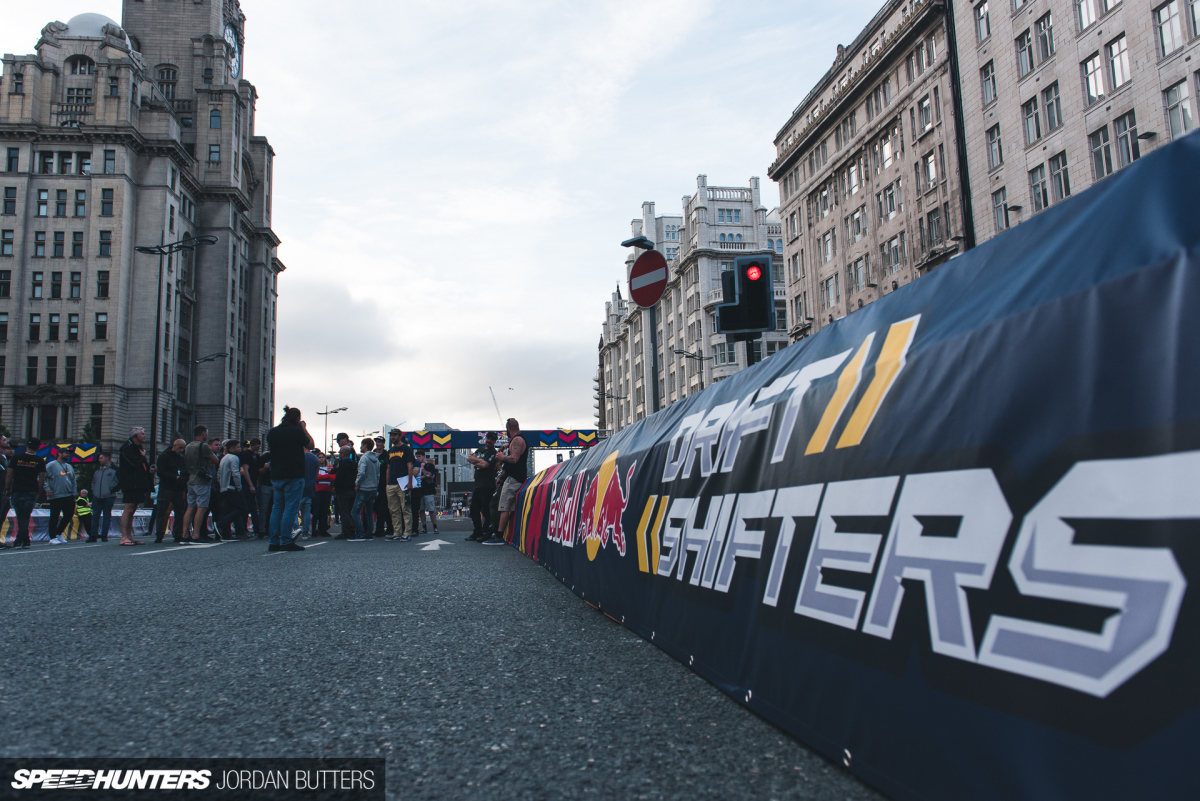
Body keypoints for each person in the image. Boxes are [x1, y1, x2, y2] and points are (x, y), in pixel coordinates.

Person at [265, 406, 314, 552]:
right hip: (293, 474)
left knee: (277, 508)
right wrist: (304, 428)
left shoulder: (272, 432)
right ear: (298, 419)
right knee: (290, 508)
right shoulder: (297, 431)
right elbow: (310, 445)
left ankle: (273, 541)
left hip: (276, 474)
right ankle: (286, 540)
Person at [486, 418, 527, 546]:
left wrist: (502, 457)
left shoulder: (518, 440)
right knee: (499, 504)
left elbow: (514, 459)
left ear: (508, 428)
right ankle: (496, 532)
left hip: (514, 479)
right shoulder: (515, 441)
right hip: (511, 477)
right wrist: (501, 476)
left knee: (504, 506)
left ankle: (499, 536)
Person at [182, 425, 218, 544]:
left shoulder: (188, 446)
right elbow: (215, 460)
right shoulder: (204, 446)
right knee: (201, 508)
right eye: (206, 433)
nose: (207, 435)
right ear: (203, 433)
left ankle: (185, 534)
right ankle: (196, 535)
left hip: (191, 479)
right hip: (202, 481)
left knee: (190, 507)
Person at [117, 427, 154, 546]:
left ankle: (129, 536)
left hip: (138, 482)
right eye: (142, 434)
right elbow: (133, 464)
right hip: (130, 483)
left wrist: (149, 470)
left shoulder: (138, 448)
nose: (144, 436)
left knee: (133, 508)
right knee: (128, 508)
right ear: (135, 436)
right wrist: (142, 457)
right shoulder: (127, 448)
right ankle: (124, 537)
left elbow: (141, 464)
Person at [7, 439, 45, 548]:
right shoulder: (39, 460)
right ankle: (24, 540)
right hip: (31, 491)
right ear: (37, 448)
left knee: (21, 516)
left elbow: (9, 475)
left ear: (27, 447)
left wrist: (7, 488)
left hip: (17, 490)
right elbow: (41, 479)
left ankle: (21, 540)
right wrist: (39, 491)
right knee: (25, 516)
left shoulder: (16, 458)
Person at [153, 439, 188, 544]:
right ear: (174, 445)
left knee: (180, 512)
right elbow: (161, 472)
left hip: (178, 488)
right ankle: (160, 534)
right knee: (162, 511)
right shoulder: (164, 456)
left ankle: (177, 533)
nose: (181, 450)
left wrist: (183, 478)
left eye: (183, 448)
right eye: (180, 448)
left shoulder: (181, 458)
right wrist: (175, 477)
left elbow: (185, 470)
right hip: (166, 487)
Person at [466, 432, 498, 541]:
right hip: (478, 485)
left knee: (486, 510)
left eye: (492, 439)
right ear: (486, 438)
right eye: (488, 438)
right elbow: (469, 459)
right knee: (474, 509)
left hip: (488, 485)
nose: (489, 441)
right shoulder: (479, 450)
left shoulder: (493, 452)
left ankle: (485, 532)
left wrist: (477, 462)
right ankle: (477, 531)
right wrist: (480, 461)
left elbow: (485, 465)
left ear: (495, 441)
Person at [215, 439, 250, 540]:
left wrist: (221, 484)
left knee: (227, 510)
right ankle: (222, 523)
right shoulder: (234, 458)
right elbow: (235, 473)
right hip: (232, 488)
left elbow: (218, 473)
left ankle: (224, 533)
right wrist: (239, 487)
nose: (239, 449)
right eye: (238, 447)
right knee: (242, 508)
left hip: (224, 487)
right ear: (231, 448)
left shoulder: (224, 458)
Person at [384, 429, 415, 542]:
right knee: (393, 510)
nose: (392, 437)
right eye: (391, 435)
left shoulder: (406, 449)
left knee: (405, 509)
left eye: (394, 435)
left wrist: (410, 482)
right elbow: (388, 468)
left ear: (399, 436)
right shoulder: (390, 451)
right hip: (391, 484)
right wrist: (387, 483)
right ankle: (397, 532)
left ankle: (407, 532)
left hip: (403, 483)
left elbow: (409, 466)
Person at [45, 447, 77, 544]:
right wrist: (47, 489)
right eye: (66, 453)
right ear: (59, 453)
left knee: (69, 514)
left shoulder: (69, 466)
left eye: (68, 453)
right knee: (54, 516)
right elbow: (43, 477)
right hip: (56, 494)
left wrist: (74, 493)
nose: (68, 455)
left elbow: (73, 480)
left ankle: (59, 533)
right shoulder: (51, 465)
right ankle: (52, 537)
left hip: (68, 495)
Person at [350, 437, 379, 542]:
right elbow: (378, 474)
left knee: (355, 511)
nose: (360, 447)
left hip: (364, 488)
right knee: (369, 512)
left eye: (362, 445)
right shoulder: (376, 458)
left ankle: (360, 533)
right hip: (373, 488)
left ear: (365, 445)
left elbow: (361, 472)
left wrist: (357, 483)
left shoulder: (364, 458)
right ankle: (369, 533)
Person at [90, 452, 118, 542]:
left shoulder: (115, 470)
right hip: (97, 496)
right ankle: (93, 535)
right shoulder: (97, 470)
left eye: (101, 458)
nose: (99, 460)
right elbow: (93, 481)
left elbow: (119, 482)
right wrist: (94, 490)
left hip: (108, 496)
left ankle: (104, 535)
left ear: (107, 459)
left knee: (106, 516)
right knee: (95, 516)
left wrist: (111, 490)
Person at [332, 445, 357, 539]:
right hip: (352, 490)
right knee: (351, 511)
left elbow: (339, 478)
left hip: (343, 491)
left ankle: (346, 531)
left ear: (342, 454)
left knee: (344, 512)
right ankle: (353, 529)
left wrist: (335, 487)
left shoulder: (342, 465)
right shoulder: (354, 464)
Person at [416, 452, 441, 535]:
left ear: (423, 456)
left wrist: (422, 469)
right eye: (417, 456)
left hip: (428, 490)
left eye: (419, 456)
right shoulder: (416, 465)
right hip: (419, 490)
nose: (418, 458)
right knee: (421, 509)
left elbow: (429, 475)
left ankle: (435, 527)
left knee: (431, 509)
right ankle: (424, 527)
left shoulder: (429, 465)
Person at [241, 438, 261, 535]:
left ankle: (256, 529)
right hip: (247, 484)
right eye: (257, 446)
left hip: (253, 483)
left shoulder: (256, 455)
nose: (258, 448)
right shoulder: (246, 455)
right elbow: (245, 471)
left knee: (253, 508)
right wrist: (250, 485)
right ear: (252, 445)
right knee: (246, 507)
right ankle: (243, 529)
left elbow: (255, 471)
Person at [372, 437, 391, 537]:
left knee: (383, 507)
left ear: (383, 443)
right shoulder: (373, 454)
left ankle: (384, 528)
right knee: (375, 507)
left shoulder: (386, 454)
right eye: (377, 442)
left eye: (380, 442)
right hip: (373, 484)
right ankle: (379, 528)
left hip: (384, 484)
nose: (378, 444)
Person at [299, 446, 319, 539]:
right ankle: (305, 532)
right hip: (310, 485)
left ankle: (296, 529)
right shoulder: (315, 458)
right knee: (307, 510)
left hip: (299, 485)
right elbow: (316, 473)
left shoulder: (299, 456)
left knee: (294, 509)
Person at [313, 452, 333, 536]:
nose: (321, 459)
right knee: (316, 510)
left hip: (327, 491)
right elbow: (315, 478)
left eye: (323, 457)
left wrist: (322, 477)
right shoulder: (315, 468)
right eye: (319, 457)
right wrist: (327, 476)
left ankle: (323, 529)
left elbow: (333, 477)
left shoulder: (330, 467)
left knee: (325, 510)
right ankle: (314, 529)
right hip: (318, 491)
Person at [0, 435, 10, 549]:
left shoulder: (4, 457)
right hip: (1, 490)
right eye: (3, 440)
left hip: (5, 491)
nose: (6, 441)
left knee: (2, 516)